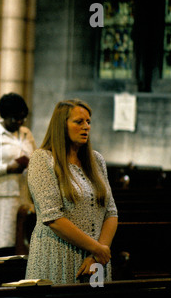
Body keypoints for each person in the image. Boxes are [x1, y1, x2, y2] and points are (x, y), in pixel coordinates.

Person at [25, 99, 118, 284]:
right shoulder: (42, 159)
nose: (86, 127)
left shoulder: (96, 160)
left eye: (88, 122)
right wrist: (97, 248)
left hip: (96, 261)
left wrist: (98, 253)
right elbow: (53, 218)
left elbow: (111, 212)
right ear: (61, 125)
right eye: (79, 122)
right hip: (58, 256)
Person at [0, 93, 36, 258]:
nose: (19, 122)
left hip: (23, 195)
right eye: (15, 118)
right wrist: (7, 168)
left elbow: (36, 156)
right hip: (0, 198)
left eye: (22, 118)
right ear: (4, 116)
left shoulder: (26, 133)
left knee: (23, 245)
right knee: (2, 245)